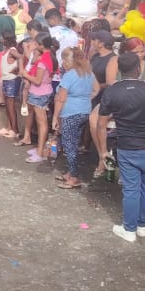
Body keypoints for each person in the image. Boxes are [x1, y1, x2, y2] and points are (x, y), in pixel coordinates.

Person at [96, 51, 145, 243]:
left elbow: (101, 124)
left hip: (128, 147)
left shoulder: (112, 92)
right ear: (139, 69)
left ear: (119, 70)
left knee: (131, 189)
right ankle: (142, 227)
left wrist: (103, 151)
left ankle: (129, 229)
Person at [53, 46, 96, 189]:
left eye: (64, 60)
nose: (63, 63)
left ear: (68, 61)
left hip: (70, 113)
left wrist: (55, 117)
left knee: (69, 145)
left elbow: (61, 98)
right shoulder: (88, 73)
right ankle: (71, 172)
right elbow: (96, 89)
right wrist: (84, 99)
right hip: (84, 111)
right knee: (74, 142)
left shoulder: (69, 75)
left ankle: (74, 177)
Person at [20, 33, 58, 163]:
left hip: (39, 93)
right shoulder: (49, 57)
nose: (35, 46)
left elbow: (37, 81)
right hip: (43, 91)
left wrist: (25, 74)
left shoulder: (42, 62)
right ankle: (39, 149)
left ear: (41, 45)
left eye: (36, 43)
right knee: (41, 122)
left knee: (42, 123)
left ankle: (41, 152)